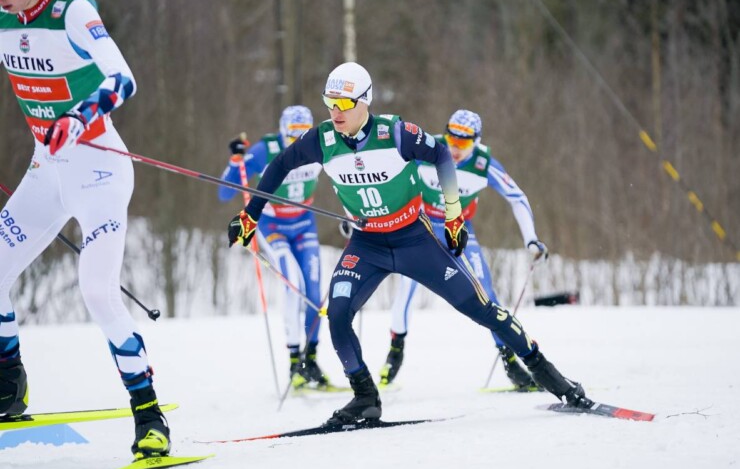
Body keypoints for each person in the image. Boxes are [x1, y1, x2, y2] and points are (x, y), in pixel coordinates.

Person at [227, 62, 592, 425]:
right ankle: (365, 398)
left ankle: (555, 381)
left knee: (481, 309)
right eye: (329, 102)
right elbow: (278, 166)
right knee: (337, 315)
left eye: (343, 104)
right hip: (366, 245)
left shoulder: (395, 133)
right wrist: (251, 215)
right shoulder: (322, 139)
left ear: (364, 101)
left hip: (413, 238)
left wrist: (452, 215)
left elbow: (441, 154)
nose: (334, 112)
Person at [0, 0, 169, 459]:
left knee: (96, 290)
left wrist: (77, 117)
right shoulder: (4, 17)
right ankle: (9, 388)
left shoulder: (72, 13)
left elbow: (123, 79)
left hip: (98, 169)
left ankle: (150, 416)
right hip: (45, 170)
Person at [379, 109, 549, 390]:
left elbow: (517, 197)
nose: (455, 149)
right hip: (421, 228)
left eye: (464, 143)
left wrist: (531, 238)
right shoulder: (426, 149)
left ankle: (510, 362)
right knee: (406, 287)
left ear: (477, 141)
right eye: (451, 140)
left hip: (460, 231)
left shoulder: (483, 164)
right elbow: (386, 176)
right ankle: (395, 352)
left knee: (485, 291)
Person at [218, 106, 332, 390]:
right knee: (292, 283)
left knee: (315, 294)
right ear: (283, 132)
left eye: (303, 135)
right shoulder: (266, 150)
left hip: (304, 224)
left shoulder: (319, 146)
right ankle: (295, 362)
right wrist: (236, 161)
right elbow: (225, 191)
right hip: (272, 225)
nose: (298, 142)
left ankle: (311, 360)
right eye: (292, 135)